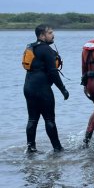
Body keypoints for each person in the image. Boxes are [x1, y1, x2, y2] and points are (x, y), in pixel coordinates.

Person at [23, 24, 69, 153]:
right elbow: (53, 72)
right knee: (49, 119)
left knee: (32, 119)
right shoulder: (46, 50)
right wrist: (63, 89)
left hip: (28, 86)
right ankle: (58, 148)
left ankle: (31, 148)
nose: (53, 35)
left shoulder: (31, 47)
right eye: (50, 33)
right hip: (42, 89)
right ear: (42, 36)